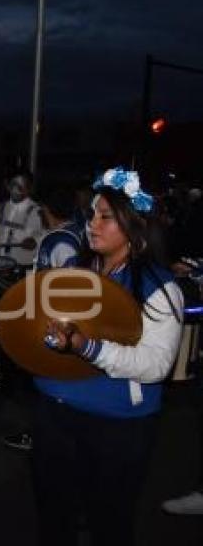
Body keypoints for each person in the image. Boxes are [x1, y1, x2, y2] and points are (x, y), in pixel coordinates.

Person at [32, 167, 184, 546]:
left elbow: (155, 365)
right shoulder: (75, 270)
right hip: (55, 412)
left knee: (109, 523)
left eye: (105, 217)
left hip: (117, 426)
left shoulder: (160, 288)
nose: (91, 225)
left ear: (133, 226)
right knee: (55, 516)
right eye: (91, 215)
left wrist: (88, 348)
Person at [2, 187, 85, 451]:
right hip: (71, 321)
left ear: (47, 210)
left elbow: (68, 285)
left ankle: (43, 436)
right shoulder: (79, 231)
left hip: (55, 322)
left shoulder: (58, 240)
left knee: (43, 381)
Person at [0, 173, 42, 266]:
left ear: (29, 188)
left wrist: (35, 242)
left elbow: (45, 235)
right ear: (8, 186)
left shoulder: (38, 212)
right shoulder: (0, 208)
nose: (17, 189)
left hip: (22, 266)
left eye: (22, 186)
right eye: (14, 184)